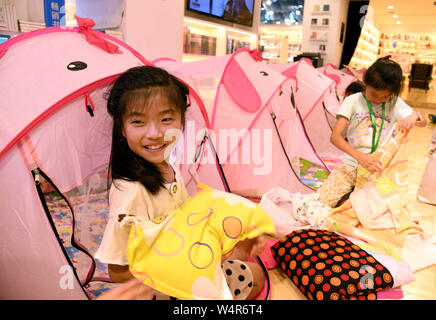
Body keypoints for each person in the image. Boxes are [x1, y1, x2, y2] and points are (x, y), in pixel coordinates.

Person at [95, 65, 266, 300]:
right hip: (167, 287)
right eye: (138, 122)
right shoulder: (131, 192)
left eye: (166, 119)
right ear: (122, 129)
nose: (154, 133)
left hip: (189, 264)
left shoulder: (167, 168)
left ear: (182, 122)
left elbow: (184, 220)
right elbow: (117, 271)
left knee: (255, 271)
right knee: (250, 277)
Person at [318, 57, 427, 208]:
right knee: (323, 203)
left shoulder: (394, 102)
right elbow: (335, 137)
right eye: (374, 94)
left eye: (385, 96)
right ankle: (349, 198)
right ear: (365, 83)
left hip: (378, 170)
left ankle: (352, 200)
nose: (379, 100)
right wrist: (361, 157)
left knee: (385, 209)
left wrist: (414, 116)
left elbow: (423, 123)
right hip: (350, 165)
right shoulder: (353, 101)